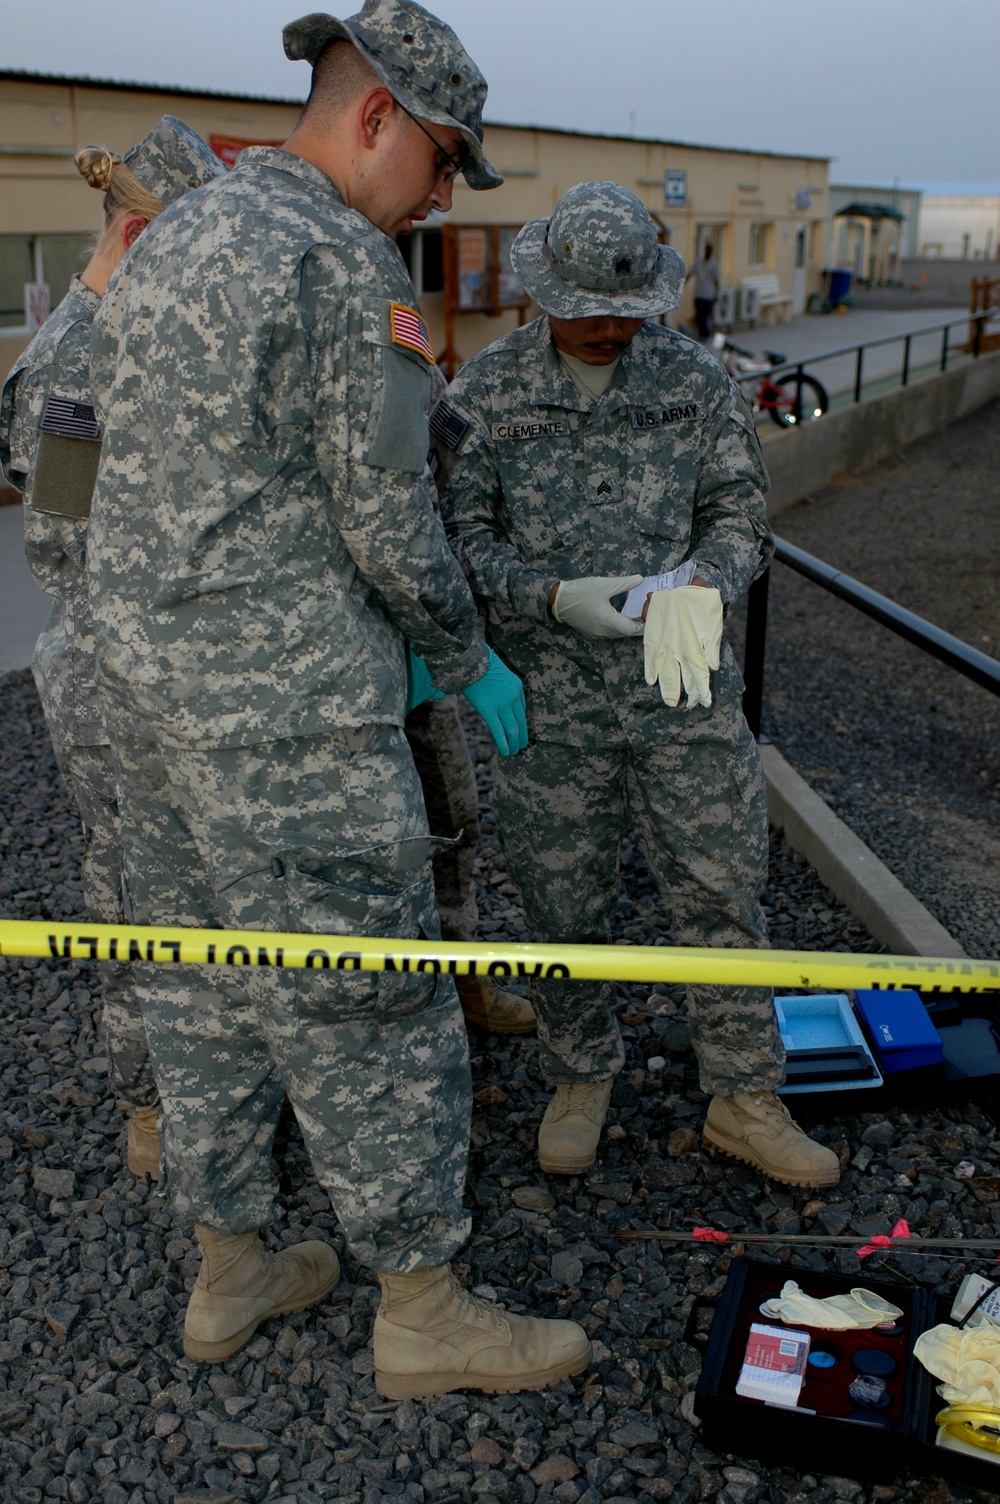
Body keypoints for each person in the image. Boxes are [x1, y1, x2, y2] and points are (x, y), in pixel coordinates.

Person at [85, 1, 589, 1398]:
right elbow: (389, 519)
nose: (440, 200)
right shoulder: (333, 261)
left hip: (149, 699)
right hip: (290, 717)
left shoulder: (181, 231)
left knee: (201, 986)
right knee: (372, 1002)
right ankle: (423, 1310)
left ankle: (229, 1270)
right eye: (440, 165)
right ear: (375, 118)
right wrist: (462, 651)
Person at [432, 181, 841, 1191]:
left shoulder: (694, 379)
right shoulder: (482, 394)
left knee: (720, 887)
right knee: (561, 897)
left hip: (683, 690)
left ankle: (744, 1095)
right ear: (544, 293)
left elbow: (741, 509)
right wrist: (549, 595)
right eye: (590, 309)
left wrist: (708, 581)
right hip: (552, 700)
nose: (611, 326)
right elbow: (451, 542)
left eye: (628, 307)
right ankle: (580, 1073)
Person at [0, 117, 226, 1179]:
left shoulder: (147, 329)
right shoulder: (83, 354)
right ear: (141, 231)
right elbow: (67, 526)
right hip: (112, 679)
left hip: (175, 667)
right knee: (133, 894)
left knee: (199, 890)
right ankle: (150, 1100)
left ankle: (216, 1090)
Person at [406, 364, 535, 1036]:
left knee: (454, 827)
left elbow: (454, 491)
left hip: (420, 673)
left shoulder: (409, 364)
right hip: (327, 691)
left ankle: (464, 986)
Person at [689, 240, 720, 338]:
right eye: (706, 249)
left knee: (706, 315)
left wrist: (716, 293)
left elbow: (716, 280)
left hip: (708, 294)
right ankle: (700, 332)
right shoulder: (699, 262)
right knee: (699, 315)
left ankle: (706, 333)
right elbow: (690, 273)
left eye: (709, 250)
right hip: (698, 293)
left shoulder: (714, 264)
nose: (707, 251)